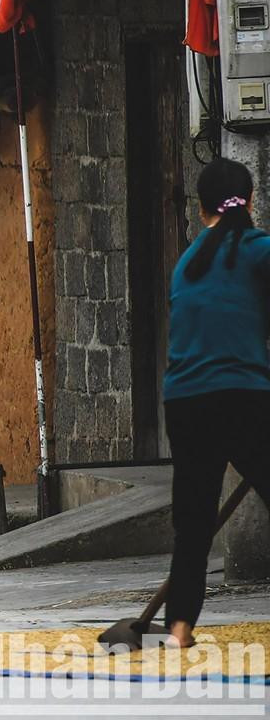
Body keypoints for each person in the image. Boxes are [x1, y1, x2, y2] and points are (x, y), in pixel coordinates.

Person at [161, 158, 270, 648]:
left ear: (201, 208)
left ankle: (179, 628)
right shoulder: (259, 250)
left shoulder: (188, 264)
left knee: (193, 522)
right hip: (242, 396)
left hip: (185, 403)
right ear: (250, 201)